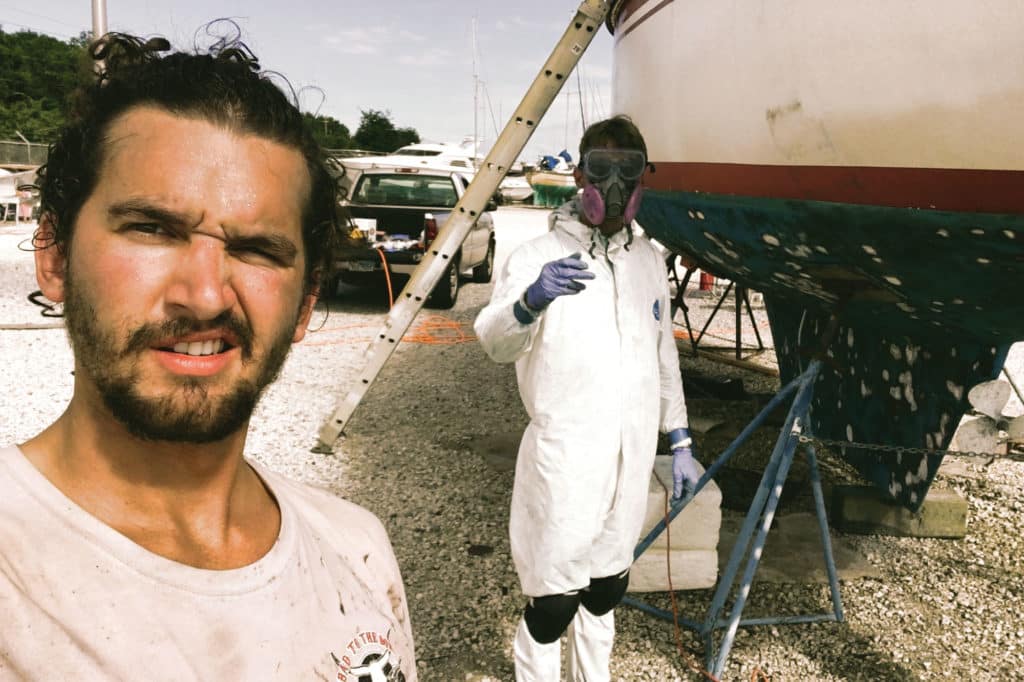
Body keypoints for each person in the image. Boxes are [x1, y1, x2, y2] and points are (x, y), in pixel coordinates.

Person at [0, 32, 415, 681]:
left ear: (304, 305)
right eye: (153, 229)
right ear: (53, 255)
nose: (203, 295)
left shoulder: (357, 551)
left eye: (255, 248)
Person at [474, 115, 700, 681]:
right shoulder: (537, 256)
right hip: (567, 461)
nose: (617, 188)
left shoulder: (647, 261)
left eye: (629, 172)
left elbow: (662, 356)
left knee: (606, 590)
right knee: (553, 602)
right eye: (604, 171)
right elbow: (494, 341)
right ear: (580, 175)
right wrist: (530, 301)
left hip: (629, 461)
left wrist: (680, 438)